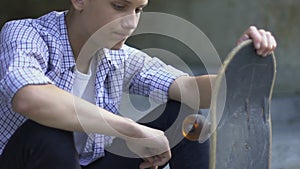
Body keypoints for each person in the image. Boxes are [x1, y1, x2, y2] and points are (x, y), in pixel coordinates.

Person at [0, 0, 276, 169]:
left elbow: (189, 89)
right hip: (25, 161)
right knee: (51, 132)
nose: (131, 23)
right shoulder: (27, 33)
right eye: (119, 6)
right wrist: (131, 130)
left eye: (139, 9)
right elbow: (29, 97)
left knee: (184, 118)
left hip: (91, 165)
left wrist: (238, 66)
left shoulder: (119, 56)